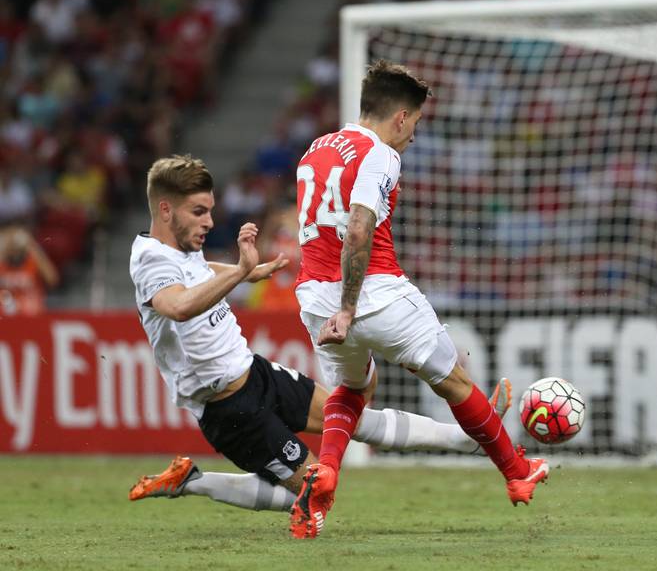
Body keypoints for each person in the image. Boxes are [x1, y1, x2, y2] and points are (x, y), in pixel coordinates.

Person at [128, 155, 513, 515]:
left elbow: (192, 268)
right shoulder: (150, 261)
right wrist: (240, 270)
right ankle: (193, 481)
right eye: (199, 212)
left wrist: (246, 270)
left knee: (351, 417)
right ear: (165, 209)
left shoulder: (179, 248)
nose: (210, 222)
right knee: (318, 495)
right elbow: (177, 306)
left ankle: (469, 440)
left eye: (210, 210)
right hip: (230, 409)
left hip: (258, 373)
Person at [289, 60, 549, 539]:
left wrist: (338, 309)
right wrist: (350, 307)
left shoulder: (316, 148)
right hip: (373, 291)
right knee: (452, 381)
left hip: (314, 296)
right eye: (416, 124)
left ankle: (326, 472)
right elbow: (360, 227)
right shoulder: (381, 154)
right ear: (401, 117)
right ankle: (517, 472)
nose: (413, 137)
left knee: (353, 389)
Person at [0, 224, 59, 315]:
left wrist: (32, 246)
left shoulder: (33, 261)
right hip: (6, 317)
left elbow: (53, 280)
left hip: (33, 315)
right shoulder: (2, 264)